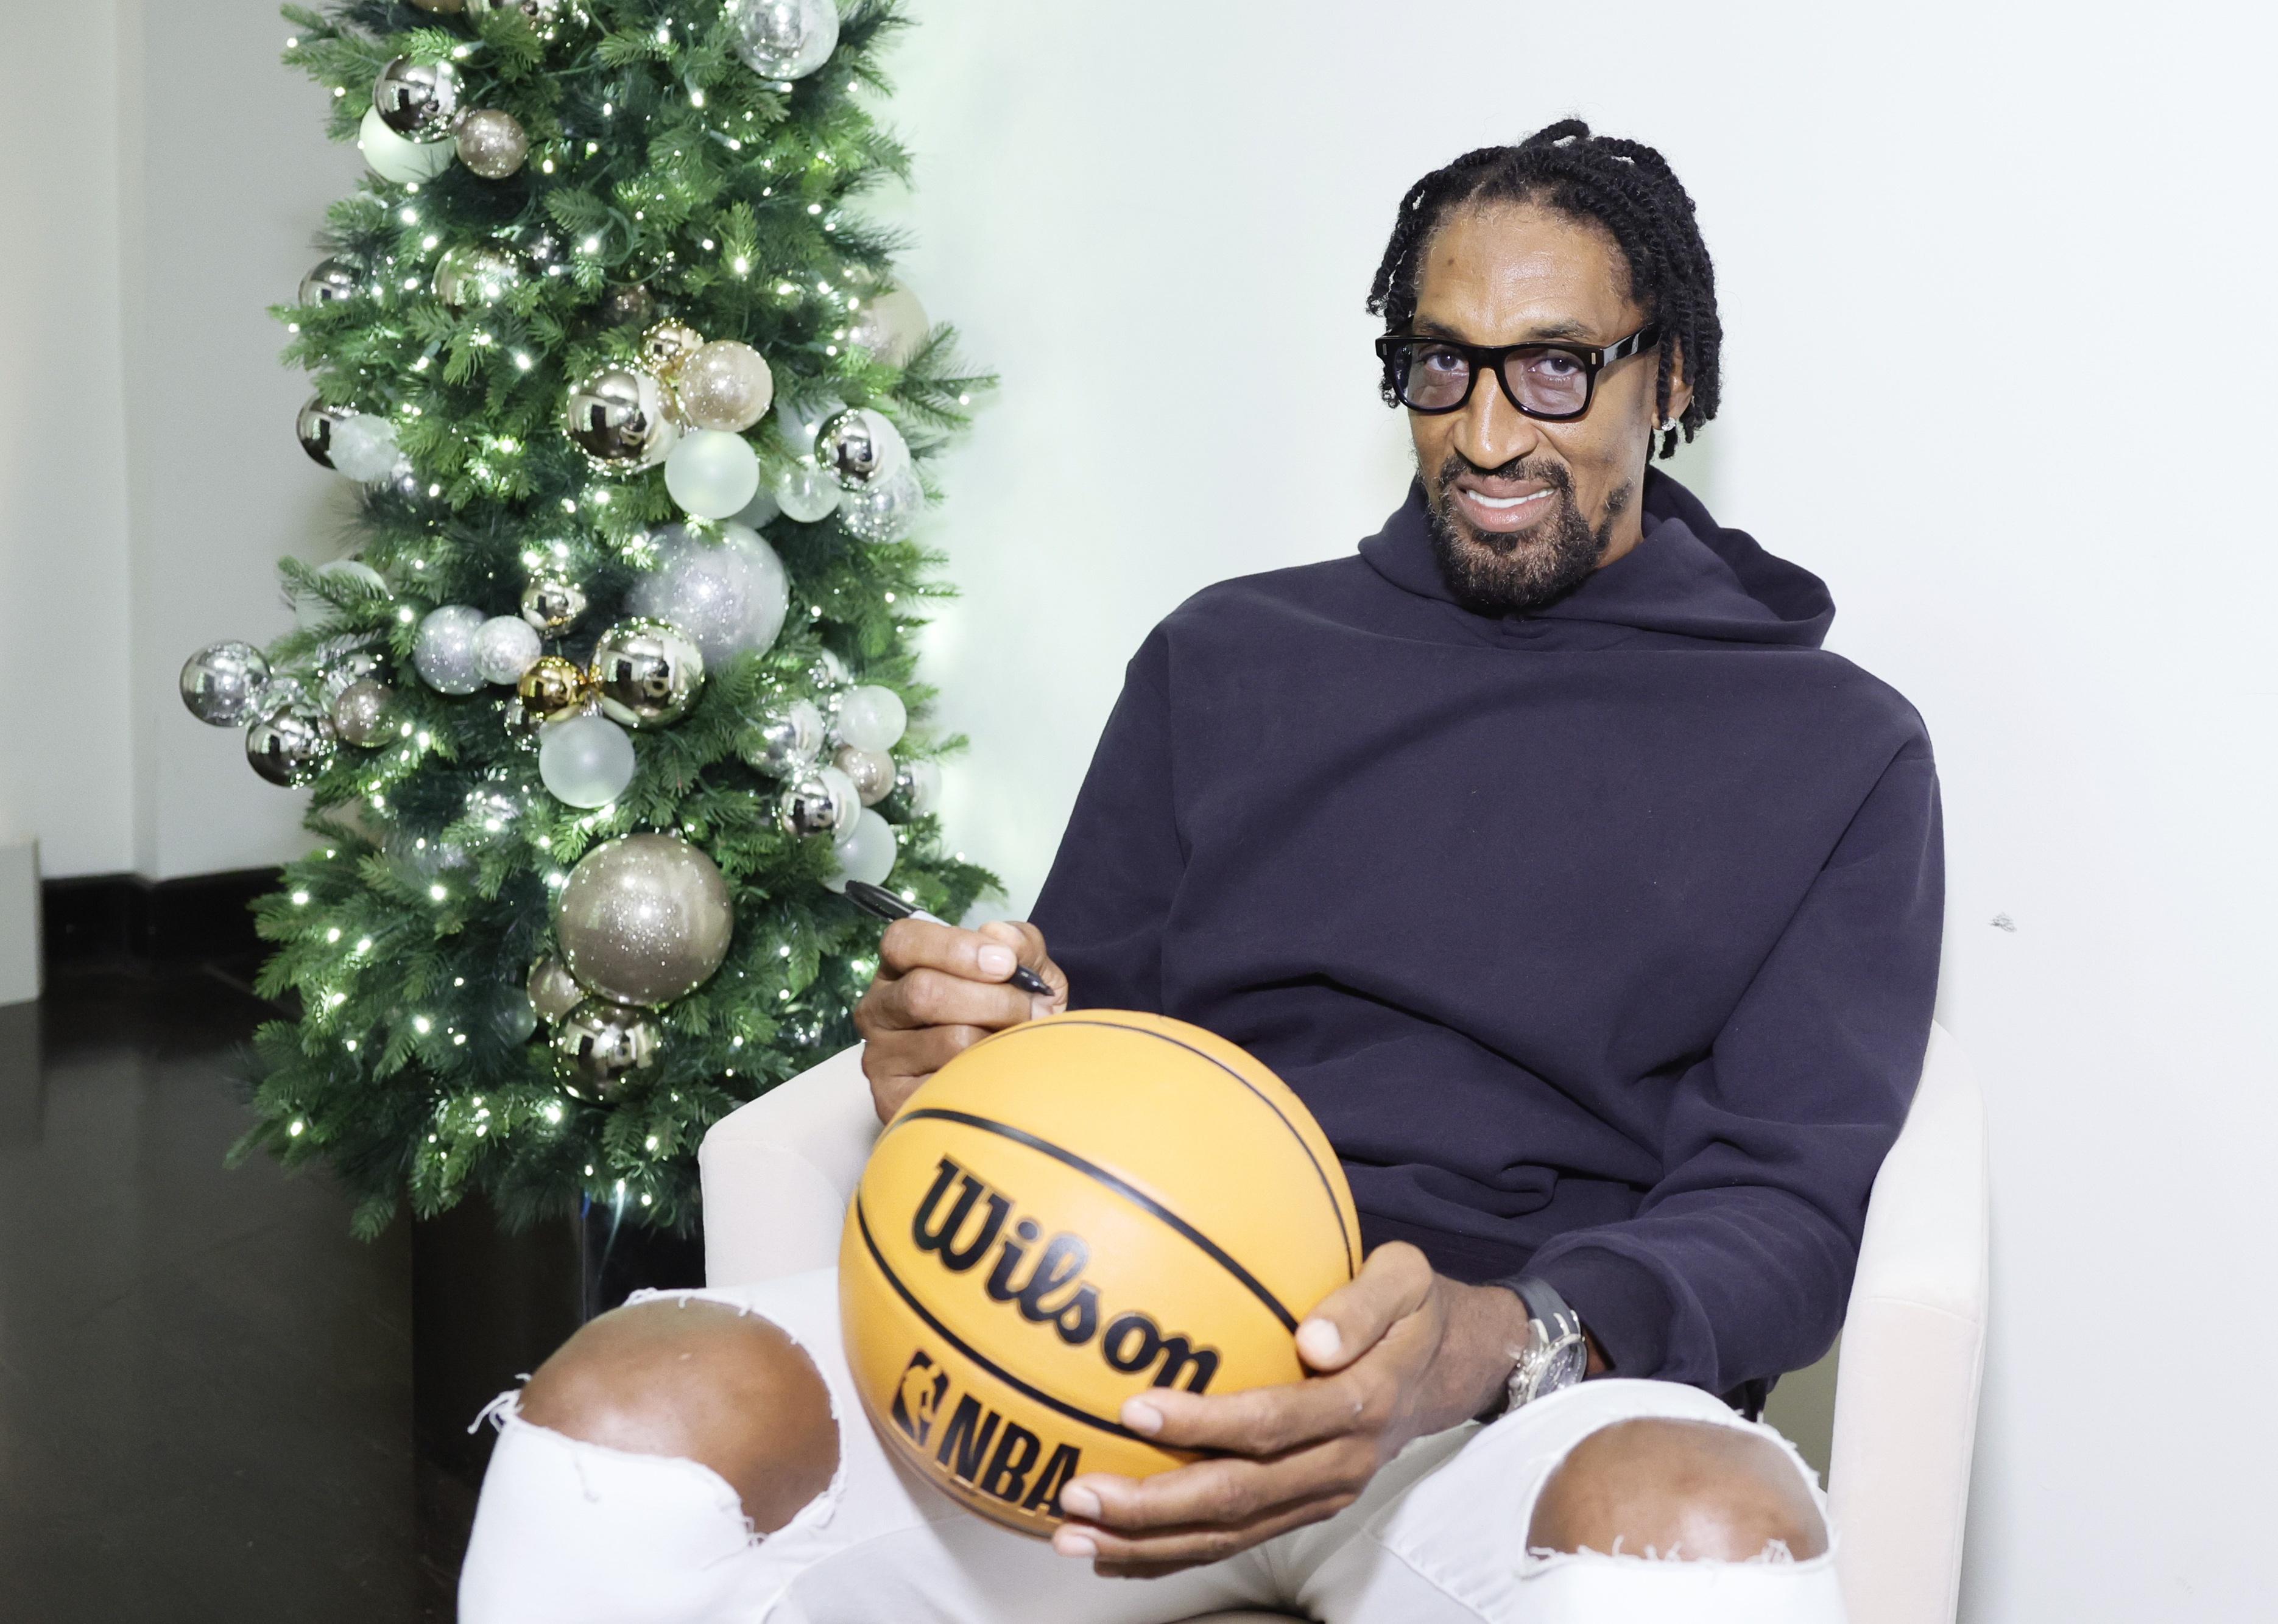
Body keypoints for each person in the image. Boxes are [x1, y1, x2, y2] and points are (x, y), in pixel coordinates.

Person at [459, 121, 1943, 1624]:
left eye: (1556, 366)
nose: (1489, 432)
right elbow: (1079, 1016)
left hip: (1493, 1403)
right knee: (636, 1402)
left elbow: (1786, 1204)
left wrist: (1492, 1339)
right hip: (1104, 1335)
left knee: (1705, 1525)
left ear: (1670, 378)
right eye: (1443, 364)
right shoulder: (1231, 654)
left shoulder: (1835, 747)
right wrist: (963, 1061)